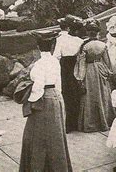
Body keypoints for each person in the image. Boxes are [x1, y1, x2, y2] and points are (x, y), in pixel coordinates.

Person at [19, 33, 72, 172]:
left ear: (38, 47)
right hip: (56, 97)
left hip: (43, 99)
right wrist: (58, 98)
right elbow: (58, 84)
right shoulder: (55, 61)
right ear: (52, 46)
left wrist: (29, 101)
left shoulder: (39, 64)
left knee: (38, 136)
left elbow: (38, 86)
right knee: (56, 135)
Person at [74, 23, 114, 132]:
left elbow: (81, 63)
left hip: (89, 69)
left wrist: (80, 78)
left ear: (88, 32)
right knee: (102, 94)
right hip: (100, 68)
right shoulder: (102, 45)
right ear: (97, 33)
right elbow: (107, 62)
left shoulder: (85, 45)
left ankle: (91, 122)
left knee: (90, 96)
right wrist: (108, 73)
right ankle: (105, 120)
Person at [53, 16, 84, 132]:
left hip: (65, 67)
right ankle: (75, 122)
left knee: (66, 93)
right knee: (76, 94)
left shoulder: (60, 40)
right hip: (76, 65)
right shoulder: (81, 41)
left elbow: (56, 56)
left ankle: (67, 124)